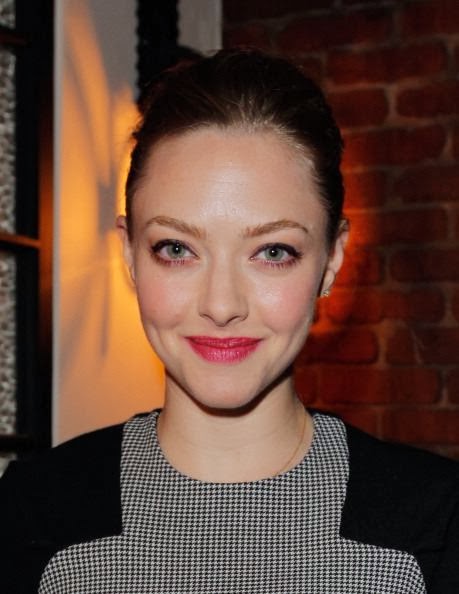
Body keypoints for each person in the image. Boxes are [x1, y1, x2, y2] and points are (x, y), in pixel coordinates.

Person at [1, 48, 458, 594]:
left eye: (272, 252)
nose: (221, 306)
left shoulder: (438, 523)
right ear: (129, 255)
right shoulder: (31, 513)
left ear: (332, 259)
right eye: (176, 248)